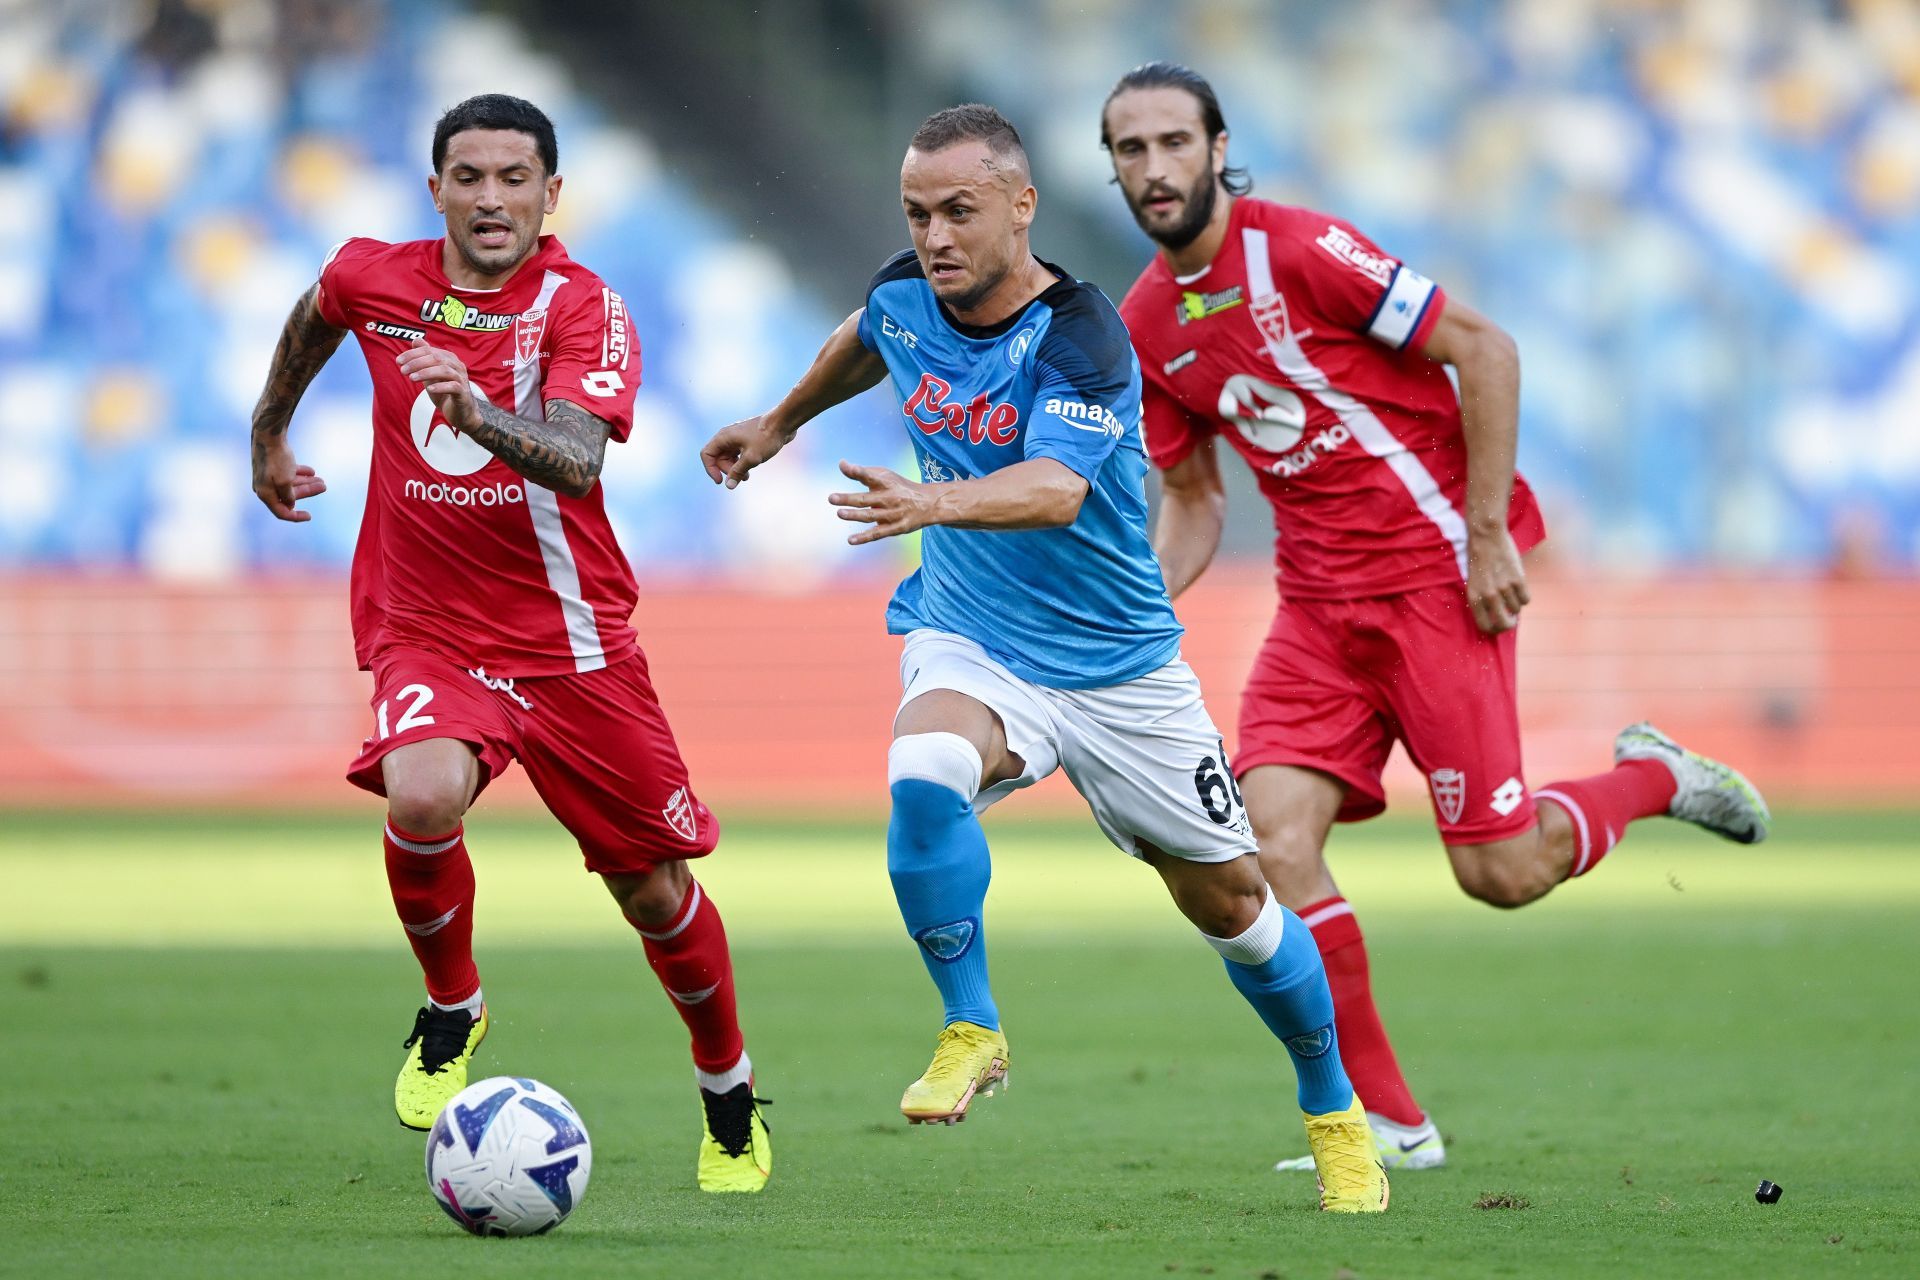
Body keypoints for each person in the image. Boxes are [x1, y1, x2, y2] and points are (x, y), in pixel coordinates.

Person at [699, 103, 1387, 1213]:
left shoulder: (1083, 333)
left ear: (1021, 206)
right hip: (976, 637)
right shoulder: (904, 291)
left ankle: (1334, 1109)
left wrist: (931, 498)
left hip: (1120, 668)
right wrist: (778, 423)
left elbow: (1057, 490)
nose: (935, 235)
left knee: (1236, 909)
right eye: (918, 213)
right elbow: (868, 332)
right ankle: (971, 1024)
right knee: (922, 773)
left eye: (959, 211)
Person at [1100, 62, 1772, 1172]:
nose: (1155, 167)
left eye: (1175, 142)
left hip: (1434, 584)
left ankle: (1651, 774)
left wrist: (1489, 531)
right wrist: (1136, 610)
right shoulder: (1146, 324)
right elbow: (1193, 499)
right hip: (1316, 611)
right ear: (1115, 169)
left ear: (1218, 149)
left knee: (1499, 873)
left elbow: (1484, 347)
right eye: (1131, 149)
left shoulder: (1305, 249)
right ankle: (1391, 1123)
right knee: (1267, 845)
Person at [247, 94, 770, 1193]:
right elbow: (314, 312)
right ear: (435, 187)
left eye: (514, 178)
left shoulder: (585, 307)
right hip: (426, 622)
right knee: (422, 793)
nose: (491, 198)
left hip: (571, 641)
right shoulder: (373, 276)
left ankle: (727, 1088)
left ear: (550, 194)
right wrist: (270, 431)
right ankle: (453, 1006)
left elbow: (578, 460)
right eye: (469, 177)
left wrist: (476, 410)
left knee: (654, 890)